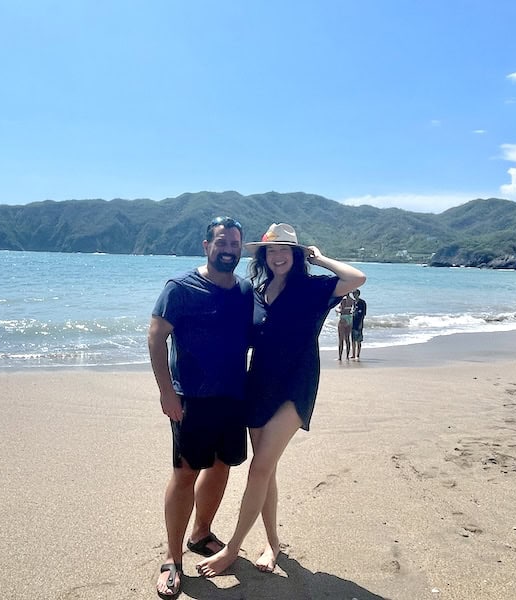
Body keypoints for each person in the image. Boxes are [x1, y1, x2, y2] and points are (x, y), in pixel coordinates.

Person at [197, 222, 366, 577]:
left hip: (295, 384)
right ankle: (273, 543)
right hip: (258, 383)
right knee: (265, 469)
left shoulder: (314, 288)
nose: (277, 256)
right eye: (270, 250)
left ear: (296, 255)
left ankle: (232, 548)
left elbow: (356, 278)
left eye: (284, 250)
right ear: (264, 255)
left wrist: (319, 258)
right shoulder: (257, 292)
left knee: (259, 469)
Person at [148, 216, 254, 598]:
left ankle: (201, 533)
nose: (228, 250)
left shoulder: (244, 291)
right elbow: (156, 337)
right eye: (222, 243)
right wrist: (166, 392)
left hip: (232, 397)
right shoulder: (180, 287)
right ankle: (172, 558)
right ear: (206, 245)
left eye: (235, 244)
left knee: (222, 466)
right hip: (190, 398)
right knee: (185, 473)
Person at [335, 293, 354, 360]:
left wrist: (337, 310)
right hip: (349, 318)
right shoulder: (351, 300)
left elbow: (342, 310)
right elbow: (351, 309)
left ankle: (340, 357)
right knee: (347, 338)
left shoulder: (343, 299)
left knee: (341, 339)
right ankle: (347, 356)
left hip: (343, 318)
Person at [350, 289, 367, 360]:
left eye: (355, 294)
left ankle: (358, 354)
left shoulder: (362, 302)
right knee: (353, 339)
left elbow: (363, 314)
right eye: (353, 294)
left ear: (358, 294)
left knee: (358, 340)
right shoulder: (353, 302)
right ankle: (353, 354)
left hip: (359, 322)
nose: (354, 295)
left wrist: (361, 323)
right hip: (353, 322)